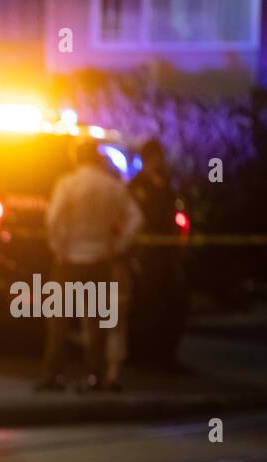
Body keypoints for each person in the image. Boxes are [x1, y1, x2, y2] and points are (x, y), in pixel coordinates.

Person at [39, 140, 143, 392]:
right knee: (97, 324)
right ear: (97, 159)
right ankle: (94, 376)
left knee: (59, 321)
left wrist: (59, 246)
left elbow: (53, 218)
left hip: (70, 260)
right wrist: (117, 246)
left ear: (76, 158)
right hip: (100, 261)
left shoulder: (67, 183)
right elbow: (137, 219)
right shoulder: (112, 186)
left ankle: (54, 374)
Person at [128, 138, 188, 371]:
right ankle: (143, 355)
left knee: (171, 306)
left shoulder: (166, 184)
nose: (159, 161)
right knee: (145, 306)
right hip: (145, 257)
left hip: (166, 255)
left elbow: (175, 216)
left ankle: (166, 355)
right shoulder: (138, 185)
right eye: (155, 157)